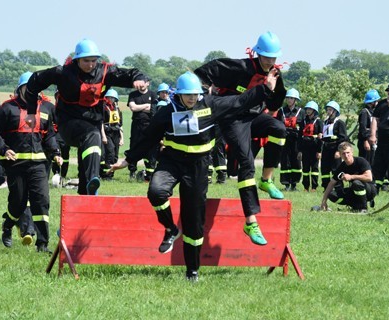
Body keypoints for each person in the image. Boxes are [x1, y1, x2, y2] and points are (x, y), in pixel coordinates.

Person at [110, 70, 279, 281]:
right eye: (187, 94)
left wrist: (266, 89)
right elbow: (148, 138)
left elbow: (240, 101)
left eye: (194, 94)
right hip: (171, 161)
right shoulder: (166, 112)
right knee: (156, 191)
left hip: (198, 166)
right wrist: (127, 160)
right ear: (178, 94)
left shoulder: (210, 104)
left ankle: (192, 271)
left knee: (194, 223)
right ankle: (171, 229)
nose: (191, 98)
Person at [194, 31, 288, 247]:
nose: (270, 62)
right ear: (257, 54)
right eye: (266, 57)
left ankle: (266, 180)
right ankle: (251, 222)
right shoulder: (239, 67)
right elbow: (203, 72)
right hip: (232, 119)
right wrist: (204, 93)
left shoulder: (275, 73)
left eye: (273, 58)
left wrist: (272, 90)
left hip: (254, 118)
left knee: (279, 129)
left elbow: (274, 105)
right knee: (246, 163)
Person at [25, 38, 147, 195]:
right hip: (68, 124)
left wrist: (139, 78)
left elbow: (130, 73)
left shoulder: (105, 72)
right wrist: (30, 112)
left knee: (90, 154)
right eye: (86, 61)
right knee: (93, 135)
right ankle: (92, 179)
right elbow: (34, 82)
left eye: (94, 61)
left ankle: (87, 191)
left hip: (93, 123)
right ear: (77, 59)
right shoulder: (63, 73)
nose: (90, 65)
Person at [0, 72, 62, 252]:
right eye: (29, 87)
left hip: (39, 164)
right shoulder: (7, 108)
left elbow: (49, 134)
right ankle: (8, 225)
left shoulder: (47, 108)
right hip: (15, 164)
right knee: (18, 203)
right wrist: (3, 149)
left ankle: (42, 244)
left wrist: (55, 151)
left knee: (41, 200)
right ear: (21, 88)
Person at [319, 142, 376, 213]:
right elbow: (331, 183)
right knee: (332, 194)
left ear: (352, 152)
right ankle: (354, 206)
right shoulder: (342, 166)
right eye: (343, 153)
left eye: (348, 152)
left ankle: (363, 208)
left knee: (356, 183)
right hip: (354, 189)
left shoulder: (361, 161)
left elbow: (369, 177)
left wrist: (351, 177)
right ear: (340, 155)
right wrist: (324, 201)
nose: (346, 155)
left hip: (370, 190)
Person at [127, 80, 157, 181]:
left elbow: (153, 109)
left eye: (143, 83)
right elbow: (133, 108)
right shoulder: (133, 94)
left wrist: (139, 107)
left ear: (148, 83)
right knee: (134, 146)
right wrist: (146, 106)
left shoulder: (153, 94)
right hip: (136, 125)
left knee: (149, 148)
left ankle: (149, 173)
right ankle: (132, 172)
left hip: (149, 125)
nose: (141, 85)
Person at [320, 101, 348, 188]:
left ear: (335, 111)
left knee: (336, 169)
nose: (328, 111)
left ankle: (338, 187)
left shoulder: (340, 123)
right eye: (327, 109)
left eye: (330, 110)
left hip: (335, 148)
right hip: (326, 148)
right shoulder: (325, 122)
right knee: (324, 168)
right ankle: (326, 186)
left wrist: (338, 151)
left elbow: (343, 138)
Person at [279, 88, 302, 191]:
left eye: (291, 98)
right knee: (285, 161)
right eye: (287, 98)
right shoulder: (281, 111)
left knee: (295, 161)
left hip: (296, 141)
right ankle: (286, 184)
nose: (289, 100)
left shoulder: (301, 112)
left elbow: (303, 127)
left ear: (295, 100)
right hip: (284, 140)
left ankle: (294, 184)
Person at [298, 101, 323, 192]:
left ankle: (314, 187)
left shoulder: (319, 121)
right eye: (307, 109)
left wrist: (319, 151)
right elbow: (299, 137)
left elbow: (321, 138)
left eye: (310, 109)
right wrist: (299, 150)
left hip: (314, 148)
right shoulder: (303, 121)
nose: (308, 111)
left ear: (314, 111)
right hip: (305, 148)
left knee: (315, 169)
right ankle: (305, 187)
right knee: (305, 169)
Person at [100, 89, 123, 180]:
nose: (111, 99)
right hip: (107, 132)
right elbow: (100, 122)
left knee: (115, 156)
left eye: (113, 98)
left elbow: (120, 124)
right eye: (109, 97)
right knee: (110, 152)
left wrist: (122, 138)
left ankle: (110, 173)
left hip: (116, 133)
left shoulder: (117, 109)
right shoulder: (103, 108)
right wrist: (103, 136)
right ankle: (106, 175)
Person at [358, 89, 379, 165]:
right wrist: (365, 141)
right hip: (366, 142)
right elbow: (362, 128)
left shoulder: (373, 112)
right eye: (376, 101)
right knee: (366, 163)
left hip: (373, 141)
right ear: (372, 102)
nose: (377, 103)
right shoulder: (365, 112)